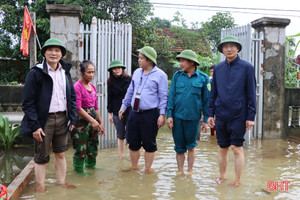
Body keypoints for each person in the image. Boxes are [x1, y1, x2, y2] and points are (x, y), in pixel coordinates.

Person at [20, 38, 78, 192]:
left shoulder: (65, 72)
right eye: (50, 49)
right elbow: (28, 102)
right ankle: (41, 186)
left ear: (61, 54)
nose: (54, 53)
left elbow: (72, 97)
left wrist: (72, 117)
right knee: (42, 156)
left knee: (61, 153)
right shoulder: (36, 73)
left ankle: (61, 183)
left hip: (62, 118)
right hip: (43, 120)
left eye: (57, 50)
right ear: (44, 52)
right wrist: (35, 126)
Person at [207, 35, 256, 187]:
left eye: (232, 46)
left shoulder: (247, 67)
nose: (229, 49)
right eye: (225, 46)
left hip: (239, 115)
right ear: (222, 49)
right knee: (222, 148)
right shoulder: (218, 68)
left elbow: (251, 93)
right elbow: (213, 93)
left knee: (237, 148)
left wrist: (250, 116)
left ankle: (237, 180)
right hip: (221, 115)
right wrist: (210, 114)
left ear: (237, 48)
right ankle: (222, 177)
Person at [119, 46, 168, 174]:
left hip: (151, 114)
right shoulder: (136, 72)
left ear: (150, 61)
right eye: (139, 58)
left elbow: (163, 97)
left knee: (149, 142)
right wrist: (124, 106)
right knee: (133, 141)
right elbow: (130, 91)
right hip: (134, 113)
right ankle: (134, 167)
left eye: (141, 58)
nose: (139, 60)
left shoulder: (160, 75)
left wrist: (162, 114)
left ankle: (147, 169)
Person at [167, 50, 210, 177]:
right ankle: (180, 171)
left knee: (191, 146)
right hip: (177, 118)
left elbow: (207, 100)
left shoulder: (203, 78)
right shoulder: (177, 76)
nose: (180, 63)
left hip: (193, 119)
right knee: (179, 147)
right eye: (180, 61)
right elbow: (171, 96)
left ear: (191, 62)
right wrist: (169, 115)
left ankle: (190, 171)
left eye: (182, 61)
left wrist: (206, 120)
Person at [71, 60, 105, 175]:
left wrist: (100, 121)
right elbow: (78, 108)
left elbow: (95, 106)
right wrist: (92, 120)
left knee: (93, 145)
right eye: (88, 72)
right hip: (81, 122)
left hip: (93, 121)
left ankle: (91, 167)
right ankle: (79, 170)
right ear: (82, 72)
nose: (91, 75)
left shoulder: (93, 87)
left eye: (93, 72)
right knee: (81, 146)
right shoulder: (77, 87)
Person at [107, 59, 131, 159]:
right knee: (120, 134)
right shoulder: (110, 82)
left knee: (130, 134)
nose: (117, 70)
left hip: (130, 110)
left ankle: (131, 155)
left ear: (122, 69)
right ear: (111, 71)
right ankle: (121, 155)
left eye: (118, 68)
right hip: (117, 111)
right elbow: (109, 98)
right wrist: (110, 114)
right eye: (114, 68)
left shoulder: (130, 79)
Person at [209, 64, 216, 136]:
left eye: (214, 71)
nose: (212, 73)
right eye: (211, 71)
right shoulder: (209, 81)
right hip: (211, 104)